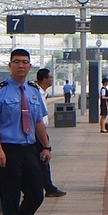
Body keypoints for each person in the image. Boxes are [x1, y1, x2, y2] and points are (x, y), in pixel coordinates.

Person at [0, 48, 51, 215]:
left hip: (29, 149)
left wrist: (46, 146)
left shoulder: (33, 91)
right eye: (16, 62)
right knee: (10, 199)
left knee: (36, 195)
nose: (21, 65)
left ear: (30, 66)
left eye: (25, 62)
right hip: (7, 150)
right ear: (10, 65)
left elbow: (38, 121)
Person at [35, 68, 67, 197]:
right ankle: (48, 187)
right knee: (44, 159)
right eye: (51, 77)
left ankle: (47, 186)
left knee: (43, 159)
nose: (52, 80)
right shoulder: (36, 93)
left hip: (41, 130)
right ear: (44, 79)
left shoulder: (42, 93)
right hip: (37, 132)